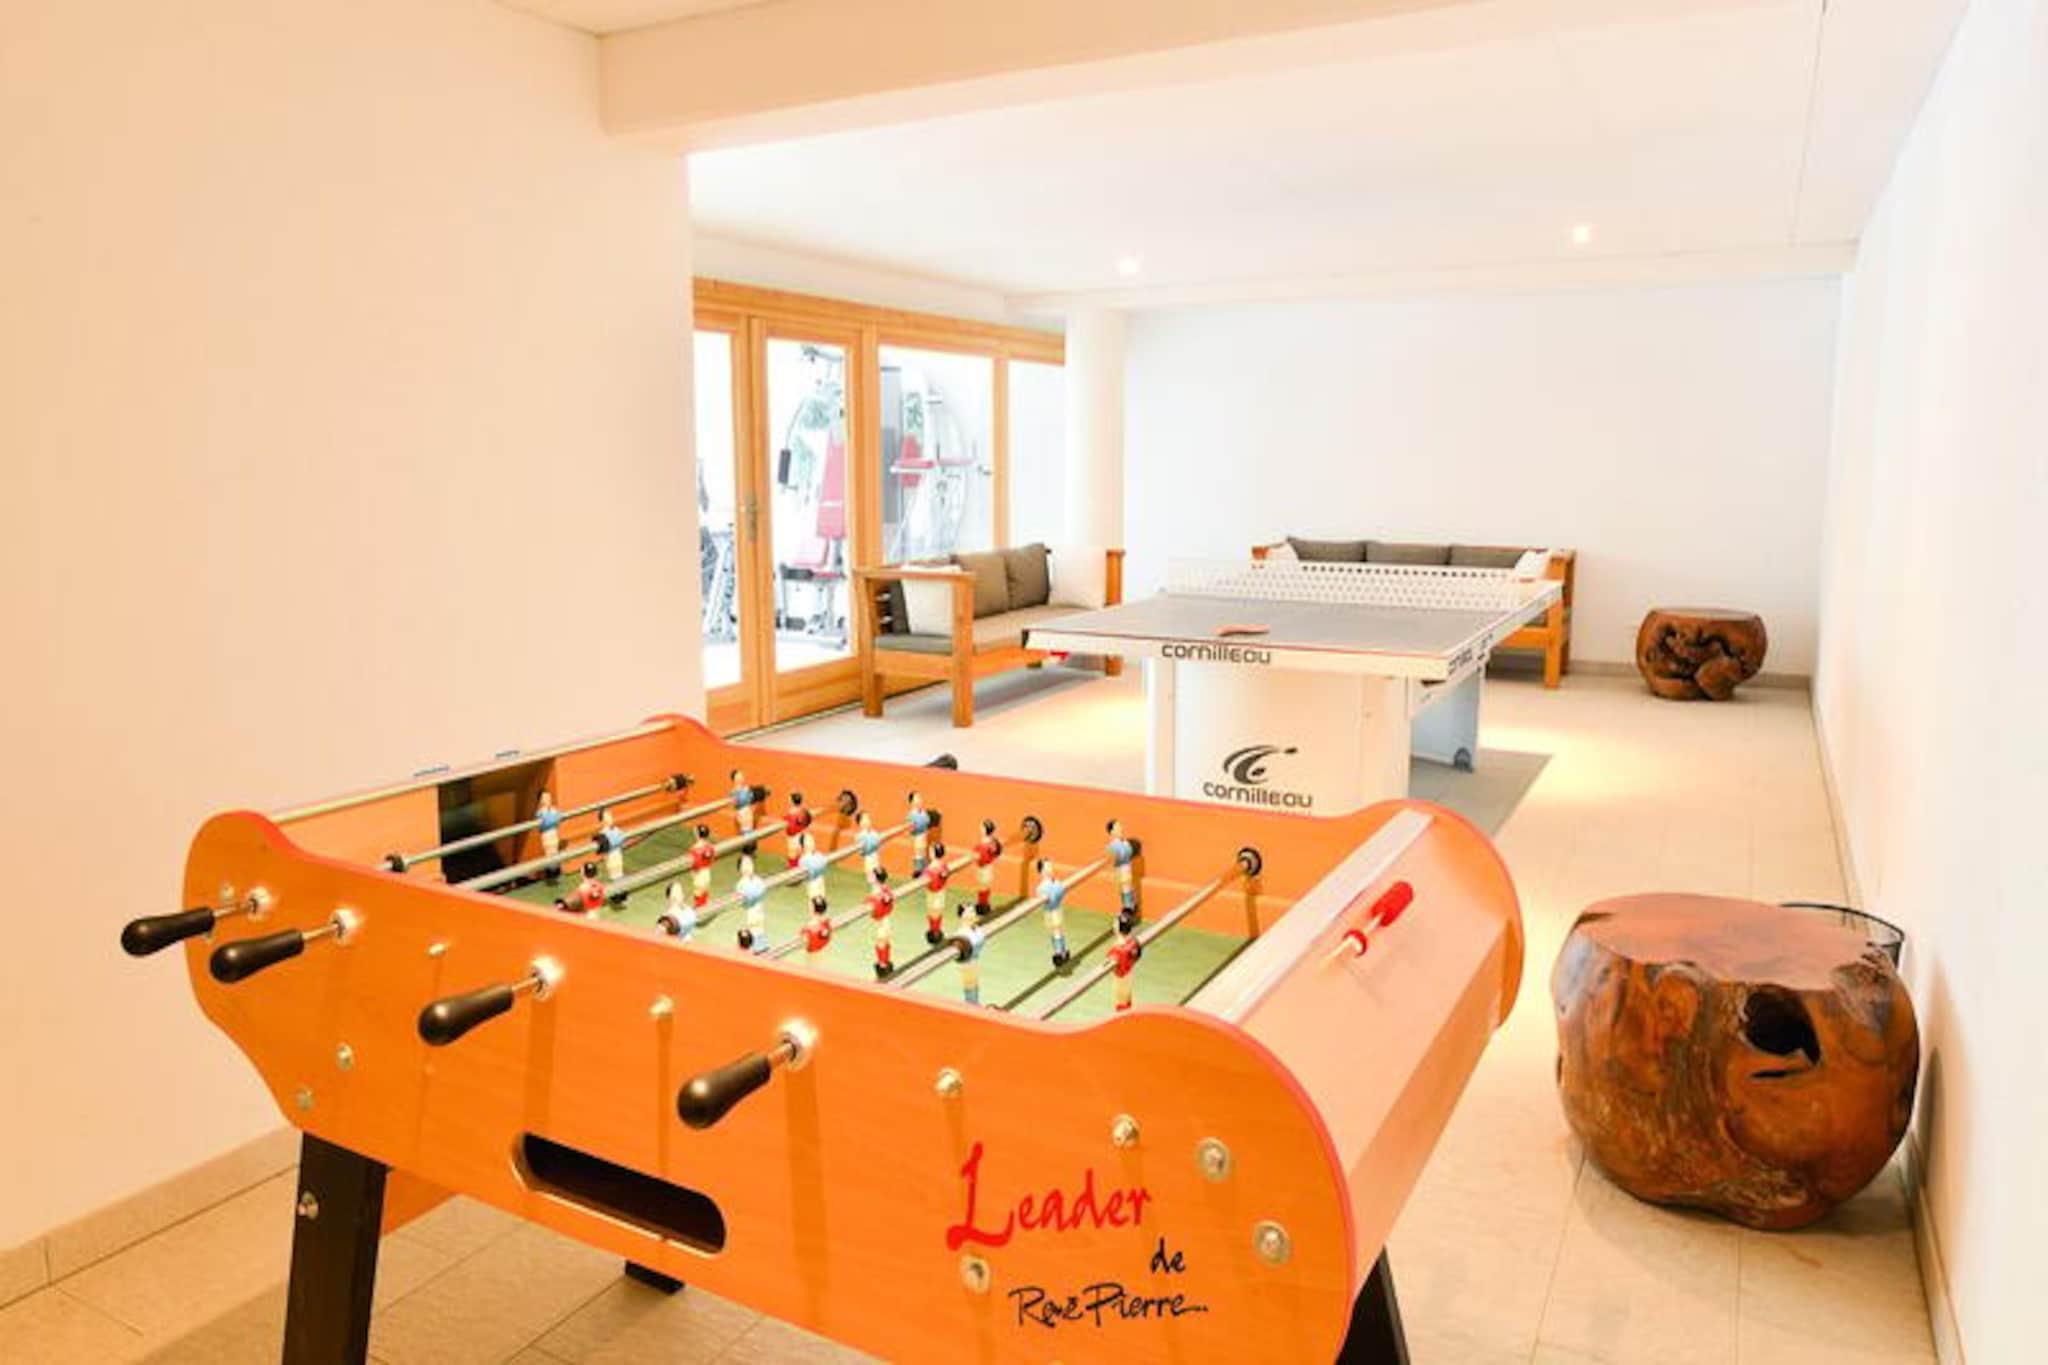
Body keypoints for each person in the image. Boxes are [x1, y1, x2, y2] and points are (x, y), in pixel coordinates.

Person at [1034, 857, 1069, 967]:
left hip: (1055, 911)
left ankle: (1059, 952)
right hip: (1052, 912)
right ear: (1042, 871)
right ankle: (1062, 951)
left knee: (1057, 931)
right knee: (1057, 931)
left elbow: (1059, 894)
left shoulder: (1052, 884)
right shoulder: (1043, 887)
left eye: (1050, 866)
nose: (1050, 868)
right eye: (1048, 867)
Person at [867, 864, 897, 979]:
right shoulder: (885, 889)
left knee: (881, 942)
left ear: (876, 878)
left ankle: (883, 965)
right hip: (885, 919)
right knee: (885, 941)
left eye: (872, 875)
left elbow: (873, 904)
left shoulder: (878, 891)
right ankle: (886, 963)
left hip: (882, 921)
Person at [734, 854, 768, 952]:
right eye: (745, 864)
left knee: (763, 951)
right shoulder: (740, 885)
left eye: (750, 863)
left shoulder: (758, 880)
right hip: (749, 925)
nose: (748, 867)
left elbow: (762, 890)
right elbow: (746, 902)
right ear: (740, 869)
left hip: (760, 925)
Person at [971, 818, 1002, 919]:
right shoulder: (993, 842)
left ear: (985, 829)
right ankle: (984, 904)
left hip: (983, 868)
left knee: (982, 887)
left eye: (982, 827)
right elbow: (997, 852)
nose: (980, 828)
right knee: (985, 886)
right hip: (988, 867)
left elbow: (977, 854)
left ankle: (982, 906)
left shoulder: (983, 844)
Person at [536, 792, 563, 883]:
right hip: (546, 836)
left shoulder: (554, 810)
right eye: (545, 798)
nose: (548, 799)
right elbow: (545, 824)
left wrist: (552, 819)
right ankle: (550, 877)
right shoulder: (540, 813)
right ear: (541, 801)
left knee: (556, 854)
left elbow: (557, 821)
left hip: (554, 834)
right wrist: (552, 819)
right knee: (549, 855)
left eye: (549, 797)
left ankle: (557, 875)